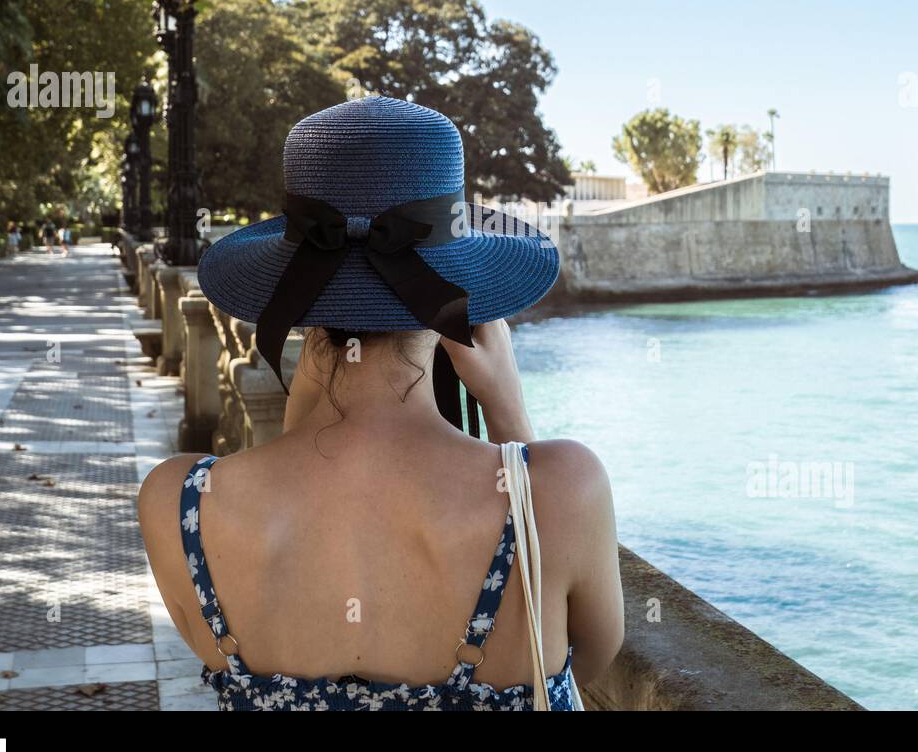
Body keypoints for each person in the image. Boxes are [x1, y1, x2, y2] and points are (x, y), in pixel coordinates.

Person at [138, 96, 622, 711]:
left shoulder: (176, 503)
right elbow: (590, 658)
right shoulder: (561, 487)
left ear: (294, 301)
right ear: (466, 312)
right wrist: (508, 411)